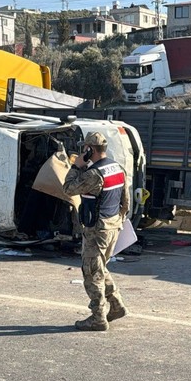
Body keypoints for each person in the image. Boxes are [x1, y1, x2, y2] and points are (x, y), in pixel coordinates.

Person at [62, 132, 130, 331]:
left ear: (90, 149)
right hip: (112, 225)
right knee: (99, 267)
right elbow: (125, 201)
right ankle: (116, 304)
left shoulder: (94, 174)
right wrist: (119, 220)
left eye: (85, 149)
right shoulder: (117, 168)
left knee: (91, 273)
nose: (84, 151)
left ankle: (98, 317)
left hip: (97, 229)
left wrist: (76, 166)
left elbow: (67, 188)